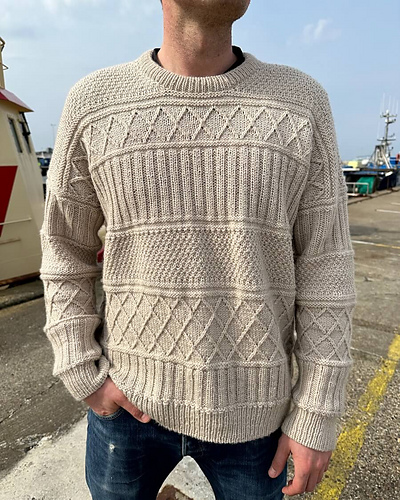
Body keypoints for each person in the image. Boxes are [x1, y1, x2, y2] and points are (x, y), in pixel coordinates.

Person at [39, 1, 357, 498]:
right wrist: (82, 370)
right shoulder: (94, 103)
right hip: (128, 405)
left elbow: (326, 266)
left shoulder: (301, 104)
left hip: (257, 416)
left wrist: (317, 410)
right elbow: (64, 246)